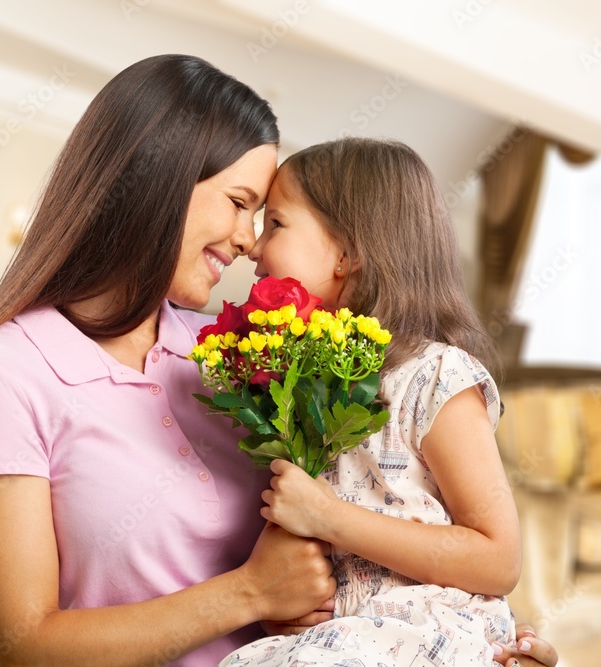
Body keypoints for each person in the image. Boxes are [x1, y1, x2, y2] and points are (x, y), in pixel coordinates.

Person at [0, 55, 557, 667]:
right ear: (159, 180)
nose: (246, 242)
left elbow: (394, 524)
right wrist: (248, 593)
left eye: (264, 217)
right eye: (239, 203)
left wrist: (473, 642)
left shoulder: (245, 355)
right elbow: (23, 649)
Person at [218, 137, 522, 667]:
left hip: (424, 627)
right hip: (345, 634)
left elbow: (499, 559)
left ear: (347, 254)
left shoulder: (436, 376)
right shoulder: (305, 382)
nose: (256, 247)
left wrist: (330, 517)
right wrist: (286, 611)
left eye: (277, 224)